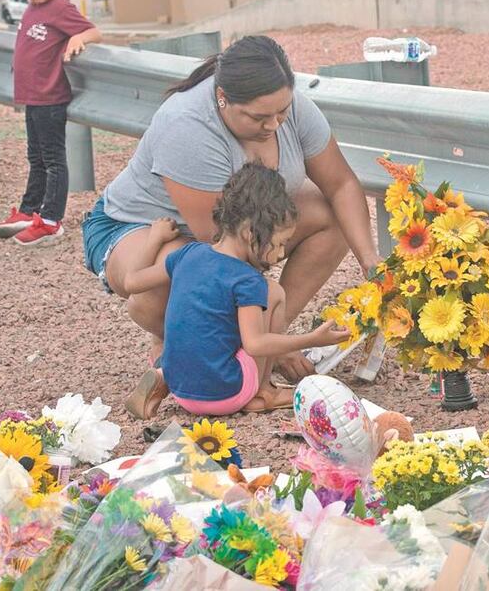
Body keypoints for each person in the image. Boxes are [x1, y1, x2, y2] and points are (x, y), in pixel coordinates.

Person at [80, 35, 379, 382]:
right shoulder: (188, 126)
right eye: (259, 117)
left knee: (333, 217)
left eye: (282, 112)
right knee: (169, 286)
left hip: (236, 228)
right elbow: (221, 249)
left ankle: (263, 338)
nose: (273, 125)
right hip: (142, 227)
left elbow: (340, 184)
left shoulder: (289, 108)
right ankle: (181, 338)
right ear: (222, 99)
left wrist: (371, 264)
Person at [123, 163, 351, 419]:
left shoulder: (188, 254)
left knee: (208, 328)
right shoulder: (247, 280)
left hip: (180, 389)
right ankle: (264, 392)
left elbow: (131, 281)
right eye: (278, 244)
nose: (280, 254)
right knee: (273, 292)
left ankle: (164, 375)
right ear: (248, 232)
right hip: (226, 394)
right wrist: (312, 339)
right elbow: (255, 344)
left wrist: (155, 239)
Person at [0, 0, 102, 245]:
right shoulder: (31, 9)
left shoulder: (61, 8)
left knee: (52, 160)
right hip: (33, 97)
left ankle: (51, 220)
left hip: (51, 97)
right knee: (35, 158)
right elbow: (29, 36)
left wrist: (78, 36)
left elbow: (94, 32)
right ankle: (29, 212)